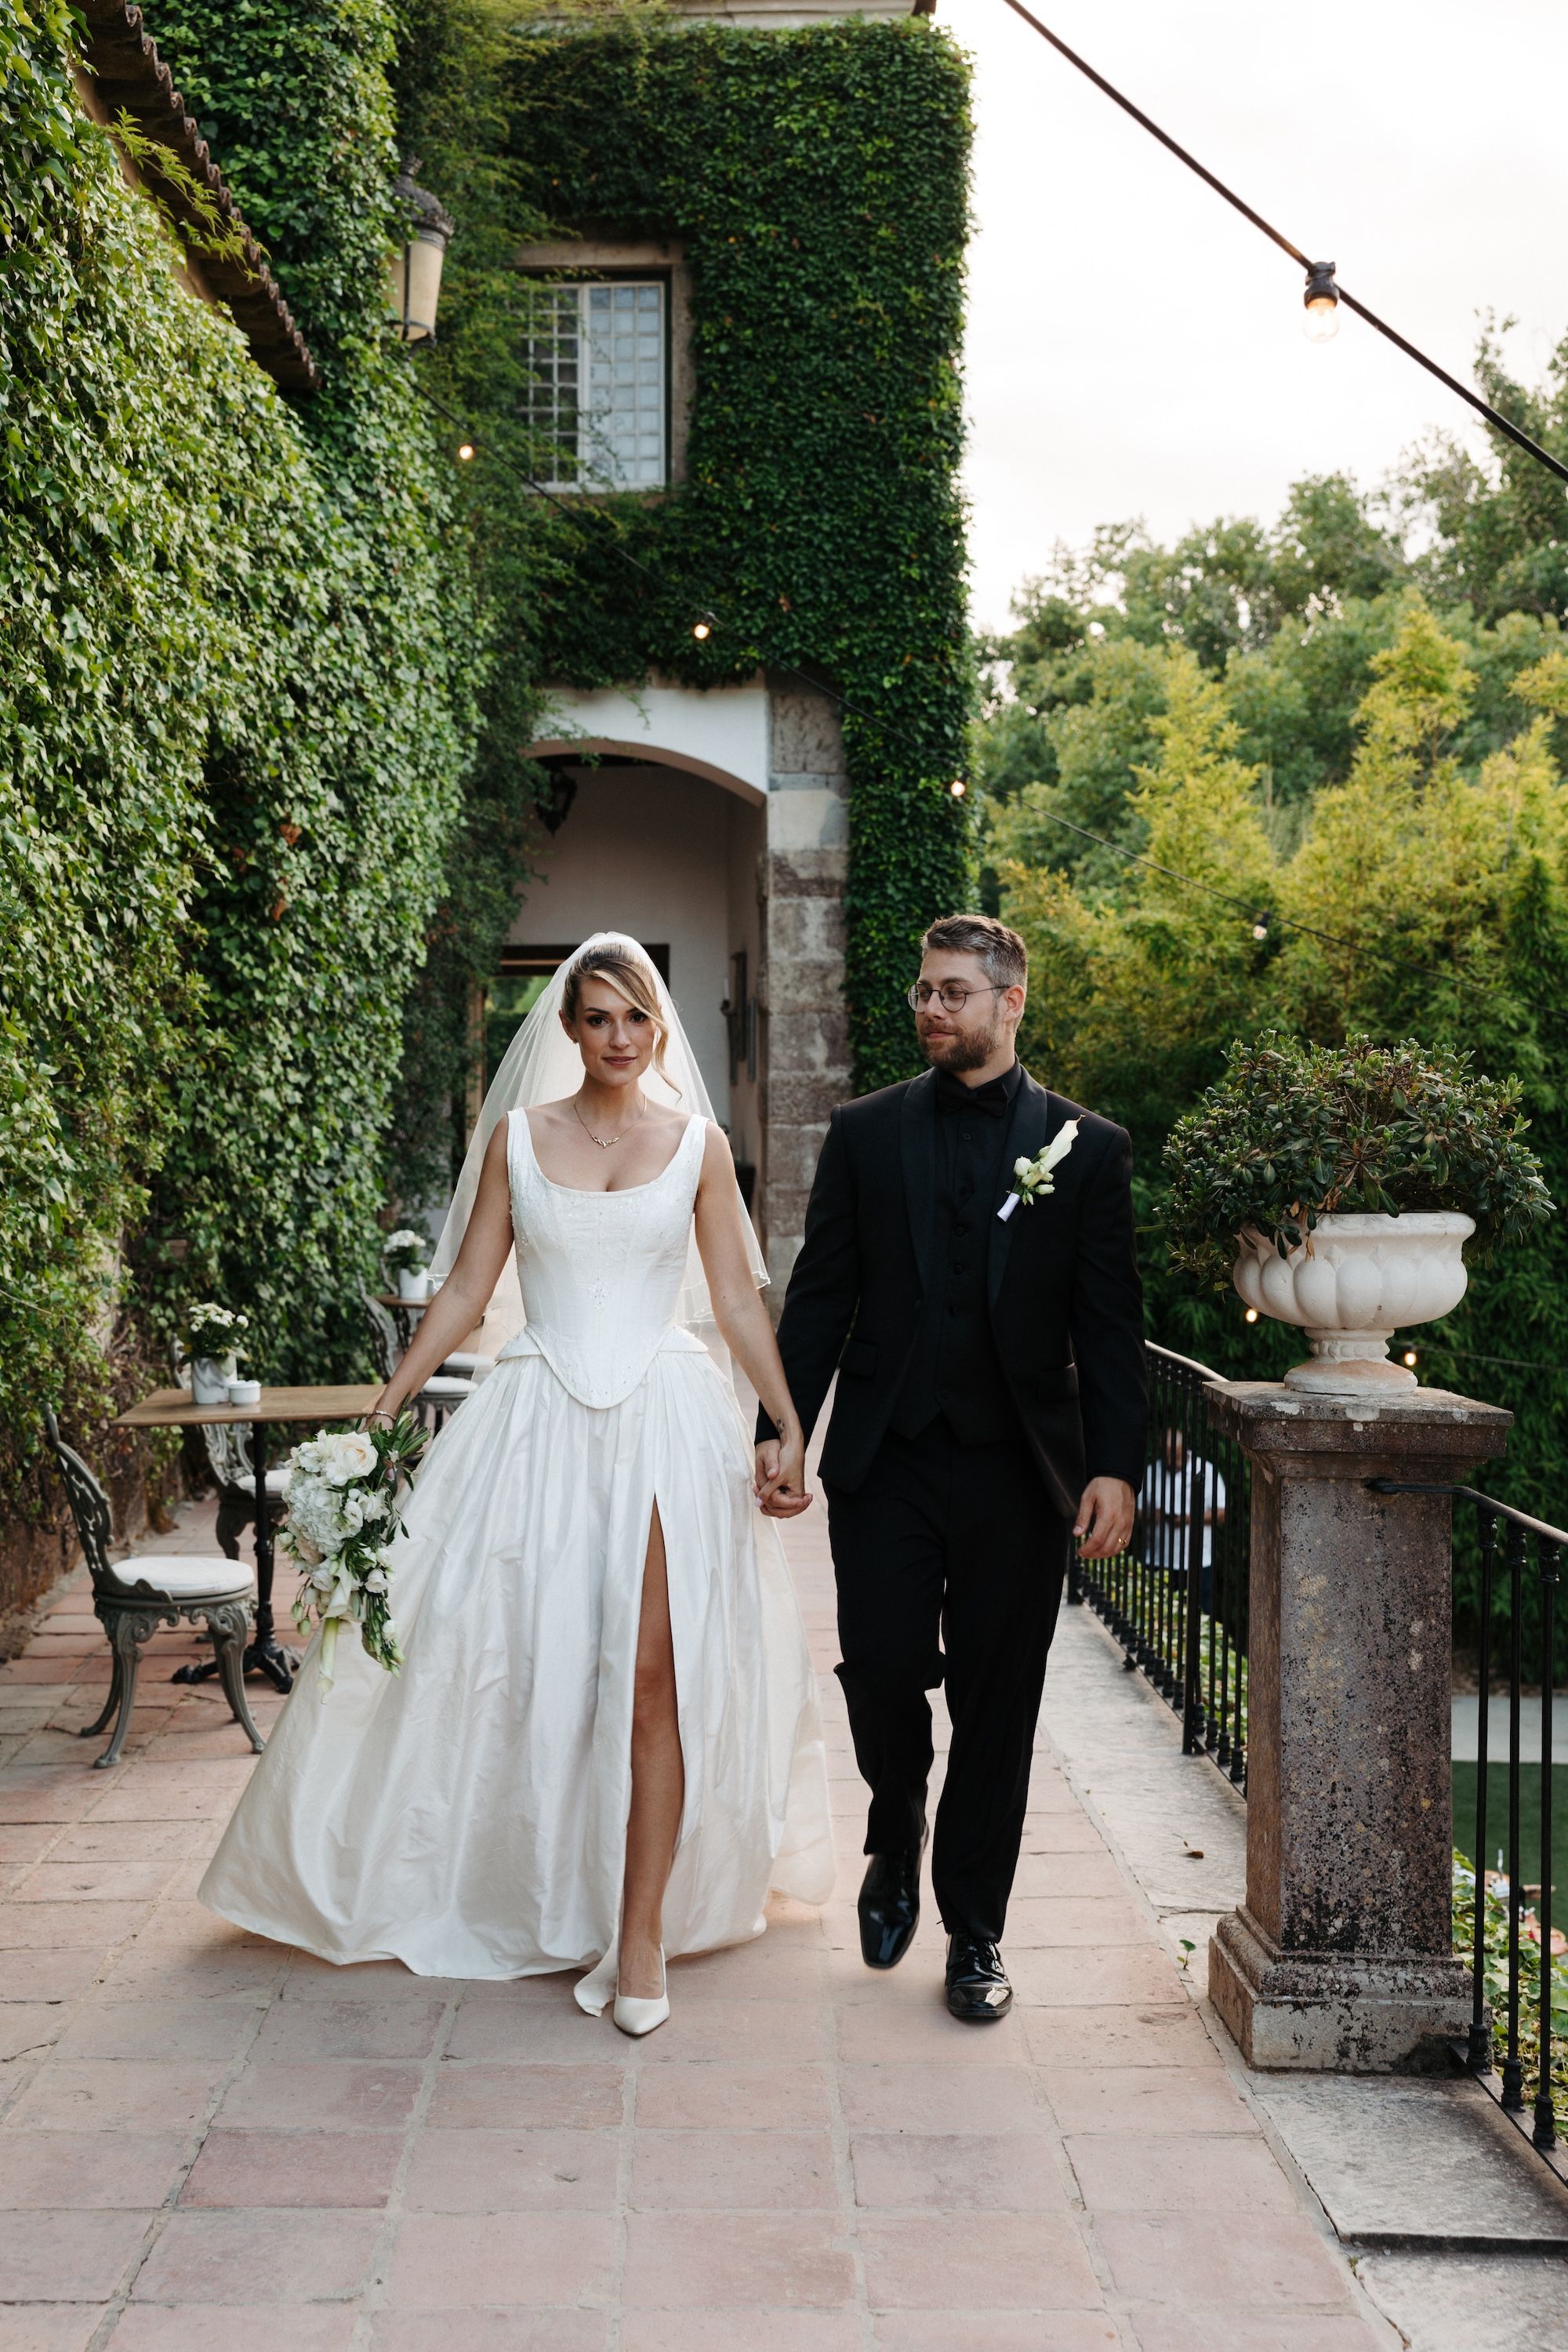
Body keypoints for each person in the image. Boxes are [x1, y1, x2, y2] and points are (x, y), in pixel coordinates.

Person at [201, 935, 833, 2036]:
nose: (619, 1038)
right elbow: (464, 1291)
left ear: (658, 1022)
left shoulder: (698, 1146)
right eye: (596, 1018)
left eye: (636, 1016)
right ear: (567, 1028)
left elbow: (734, 1301)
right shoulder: (517, 1139)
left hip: (667, 1425)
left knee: (653, 1677)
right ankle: (524, 1888)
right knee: (514, 1663)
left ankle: (639, 1942)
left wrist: (785, 1420)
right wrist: (385, 1407)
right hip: (536, 1421)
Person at [757, 914, 1145, 2021]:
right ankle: (895, 1823)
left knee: (996, 1703)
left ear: (1010, 1003)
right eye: (925, 991)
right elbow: (821, 1293)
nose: (931, 1008)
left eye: (954, 993)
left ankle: (976, 1934)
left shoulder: (1089, 1149)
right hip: (886, 1458)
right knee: (881, 1667)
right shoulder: (866, 1133)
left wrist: (1112, 1465)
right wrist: (779, 1427)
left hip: (1021, 1474)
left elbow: (1110, 1326)